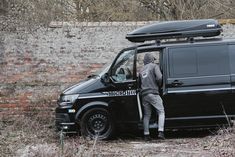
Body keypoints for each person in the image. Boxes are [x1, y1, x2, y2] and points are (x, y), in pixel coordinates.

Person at [139, 53, 165, 140]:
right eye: (153, 59)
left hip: (144, 95)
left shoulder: (141, 70)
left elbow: (139, 83)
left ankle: (146, 135)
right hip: (153, 92)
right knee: (161, 111)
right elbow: (160, 77)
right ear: (151, 60)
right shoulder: (154, 66)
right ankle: (160, 132)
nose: (154, 61)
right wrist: (158, 85)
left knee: (147, 115)